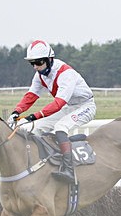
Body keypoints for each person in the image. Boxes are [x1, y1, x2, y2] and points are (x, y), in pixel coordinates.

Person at [8, 40, 97, 183]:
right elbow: (31, 96)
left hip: (85, 106)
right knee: (32, 128)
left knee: (60, 127)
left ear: (50, 59)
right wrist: (16, 112)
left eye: (39, 62)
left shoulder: (65, 73)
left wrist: (32, 116)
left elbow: (58, 104)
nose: (36, 67)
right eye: (32, 63)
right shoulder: (40, 75)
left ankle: (69, 170)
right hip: (69, 106)